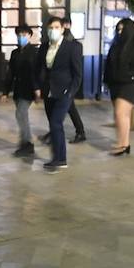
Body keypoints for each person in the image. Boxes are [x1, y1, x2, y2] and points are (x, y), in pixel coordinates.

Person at [36, 15, 83, 171]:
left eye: (57, 27)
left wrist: (71, 92)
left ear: (63, 29)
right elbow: (40, 68)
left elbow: (77, 73)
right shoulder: (44, 47)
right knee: (54, 125)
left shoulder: (72, 47)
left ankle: (60, 159)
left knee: (56, 123)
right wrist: (38, 87)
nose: (53, 31)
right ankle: (58, 157)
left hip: (64, 92)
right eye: (51, 28)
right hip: (48, 91)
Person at [102, 17, 134, 156]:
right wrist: (106, 82)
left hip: (132, 83)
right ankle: (124, 143)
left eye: (122, 29)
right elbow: (109, 64)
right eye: (118, 29)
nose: (120, 32)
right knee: (119, 115)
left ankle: (123, 145)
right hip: (115, 83)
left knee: (120, 112)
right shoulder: (116, 44)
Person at [0, 24, 40, 157]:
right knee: (22, 117)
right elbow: (10, 73)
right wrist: (5, 92)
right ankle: (24, 143)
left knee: (20, 114)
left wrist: (37, 89)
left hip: (29, 90)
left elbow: (36, 72)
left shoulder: (35, 52)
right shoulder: (15, 53)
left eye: (24, 35)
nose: (21, 37)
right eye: (19, 35)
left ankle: (28, 143)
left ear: (29, 36)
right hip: (18, 90)